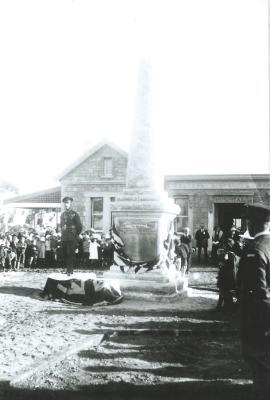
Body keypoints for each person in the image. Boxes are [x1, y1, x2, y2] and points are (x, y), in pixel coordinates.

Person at [237, 202, 270, 395]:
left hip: (259, 320)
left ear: (251, 224)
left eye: (248, 220)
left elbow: (257, 293)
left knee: (258, 361)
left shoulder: (254, 250)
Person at [60, 197, 82, 275]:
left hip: (72, 236)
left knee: (70, 254)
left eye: (67, 203)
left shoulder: (75, 214)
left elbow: (79, 226)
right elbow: (61, 225)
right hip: (64, 236)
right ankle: (67, 269)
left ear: (70, 203)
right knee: (65, 254)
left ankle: (70, 270)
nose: (66, 204)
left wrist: (76, 235)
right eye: (65, 203)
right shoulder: (62, 214)